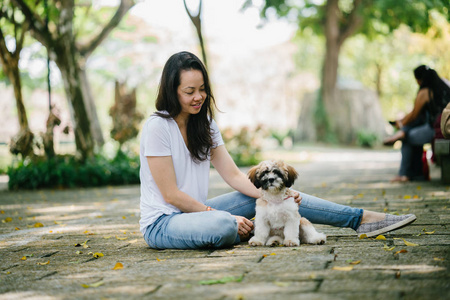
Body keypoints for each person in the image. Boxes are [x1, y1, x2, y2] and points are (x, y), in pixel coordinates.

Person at [139, 51, 416, 250]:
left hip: (197, 214)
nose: (198, 97)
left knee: (277, 194)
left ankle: (359, 219)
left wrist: (280, 197)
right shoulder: (158, 127)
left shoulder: (206, 124)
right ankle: (258, 228)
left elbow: (235, 176)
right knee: (223, 226)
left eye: (202, 89)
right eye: (189, 91)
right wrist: (216, 215)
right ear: (172, 91)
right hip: (164, 223)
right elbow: (171, 195)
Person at [383, 65, 450, 182]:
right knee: (413, 131)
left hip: (437, 130)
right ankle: (416, 173)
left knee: (409, 137)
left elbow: (414, 114)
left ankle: (405, 173)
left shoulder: (425, 91)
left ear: (420, 79)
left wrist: (401, 124)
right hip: (442, 127)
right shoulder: (443, 85)